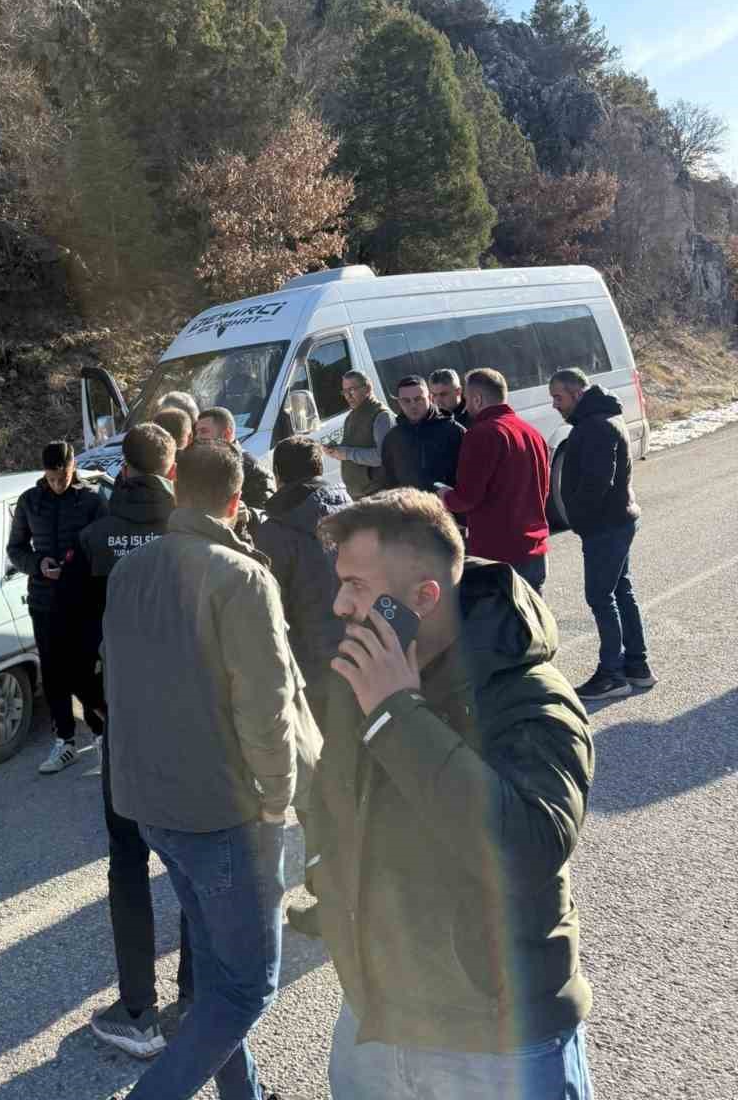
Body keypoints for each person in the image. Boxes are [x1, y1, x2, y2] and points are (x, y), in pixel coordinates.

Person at [314, 489, 595, 1100]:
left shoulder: (531, 697)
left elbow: (524, 849)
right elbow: (329, 791)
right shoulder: (365, 672)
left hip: (499, 1044)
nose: (339, 604)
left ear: (423, 597)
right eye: (340, 583)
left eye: (357, 586)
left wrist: (397, 715)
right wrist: (326, 881)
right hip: (373, 1022)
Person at [103, 442, 318, 1100]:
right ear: (235, 503)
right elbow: (268, 706)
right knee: (248, 985)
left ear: (173, 487)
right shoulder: (240, 576)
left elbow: (119, 681)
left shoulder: (130, 570)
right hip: (222, 809)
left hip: (151, 803)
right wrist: (278, 802)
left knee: (219, 977)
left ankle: (244, 1094)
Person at [81, 423, 194, 1058]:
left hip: (124, 718)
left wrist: (94, 706)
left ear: (122, 469)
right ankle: (196, 998)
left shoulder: (95, 537)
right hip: (189, 717)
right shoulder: (195, 531)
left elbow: (70, 641)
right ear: (171, 466)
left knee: (127, 859)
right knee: (190, 859)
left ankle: (137, 1010)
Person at [253, 434, 349, 939]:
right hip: (361, 660)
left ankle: (331, 899)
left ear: (281, 476)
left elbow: (270, 615)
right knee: (360, 775)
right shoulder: (352, 512)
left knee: (316, 791)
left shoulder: (274, 535)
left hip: (309, 673)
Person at [550, 368, 654, 700]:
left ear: (577, 394)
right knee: (621, 592)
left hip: (606, 528)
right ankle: (637, 667)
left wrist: (577, 517)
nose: (555, 405)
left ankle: (611, 675)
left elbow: (597, 483)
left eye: (558, 397)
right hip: (615, 522)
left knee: (601, 597)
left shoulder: (594, 426)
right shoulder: (599, 418)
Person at [7, 441, 107, 775]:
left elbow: (105, 550)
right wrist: (38, 564)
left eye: (61, 477)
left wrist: (79, 568)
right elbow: (15, 549)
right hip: (44, 601)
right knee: (53, 674)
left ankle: (102, 732)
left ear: (72, 466)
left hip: (84, 601)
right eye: (50, 478)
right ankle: (65, 740)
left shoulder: (92, 500)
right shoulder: (29, 501)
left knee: (86, 671)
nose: (56, 483)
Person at [441, 368, 551, 593]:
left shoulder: (481, 434)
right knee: (536, 625)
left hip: (499, 556)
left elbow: (466, 498)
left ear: (477, 399)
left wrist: (444, 496)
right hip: (535, 549)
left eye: (467, 399)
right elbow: (544, 489)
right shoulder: (532, 432)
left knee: (502, 626)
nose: (466, 405)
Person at [379, 376, 464, 491]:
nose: (413, 405)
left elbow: (471, 476)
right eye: (406, 401)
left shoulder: (453, 431)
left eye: (418, 399)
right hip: (410, 506)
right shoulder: (392, 439)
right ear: (399, 402)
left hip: (447, 505)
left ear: (430, 398)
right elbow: (389, 481)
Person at [195, 405, 275, 511]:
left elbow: (266, 516)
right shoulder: (196, 466)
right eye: (197, 432)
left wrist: (248, 515)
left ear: (226, 434)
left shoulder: (255, 472)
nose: (197, 437)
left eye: (204, 431)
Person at [325, 371, 390, 498]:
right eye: (344, 391)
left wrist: (347, 453)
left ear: (368, 388)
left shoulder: (381, 415)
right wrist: (335, 449)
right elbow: (351, 448)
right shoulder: (351, 416)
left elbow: (383, 457)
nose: (347, 395)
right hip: (358, 496)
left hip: (378, 495)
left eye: (352, 390)